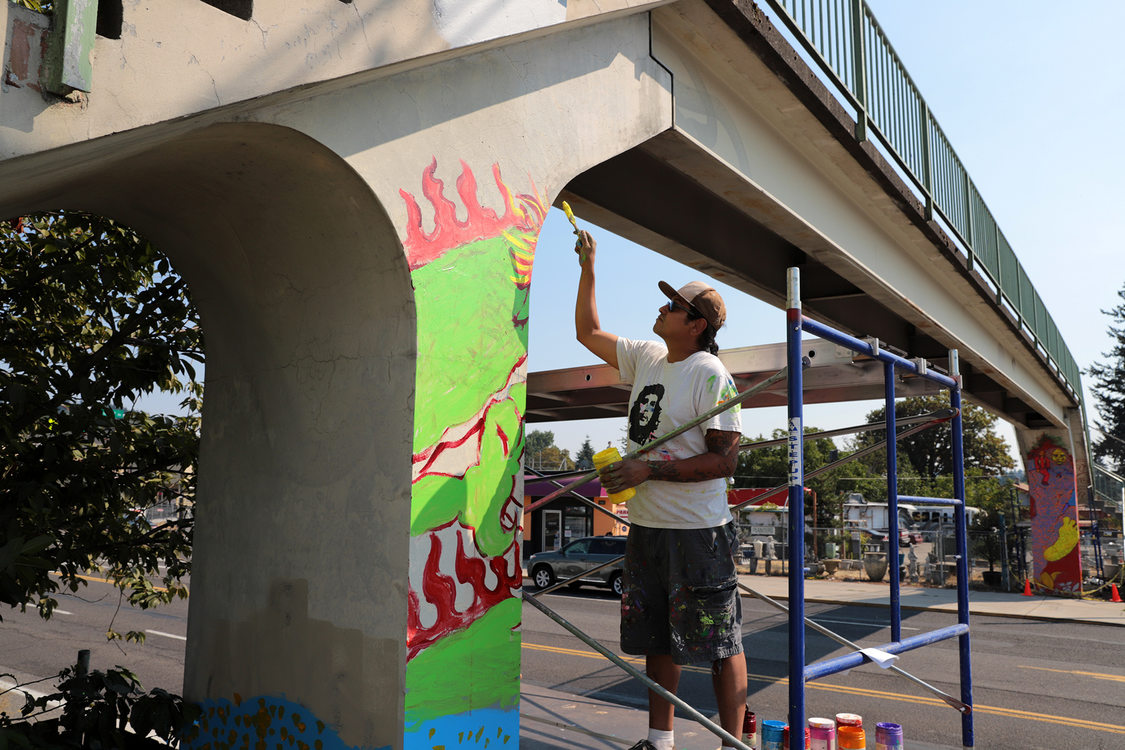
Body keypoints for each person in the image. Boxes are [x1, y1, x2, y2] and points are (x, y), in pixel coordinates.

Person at [572, 229, 747, 750]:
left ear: (696, 325)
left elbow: (725, 460)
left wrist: (649, 471)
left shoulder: (709, 372)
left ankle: (731, 745)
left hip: (697, 531)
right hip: (647, 527)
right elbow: (589, 332)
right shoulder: (649, 356)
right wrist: (588, 267)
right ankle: (660, 741)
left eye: (673, 305)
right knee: (657, 639)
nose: (662, 307)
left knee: (721, 640)